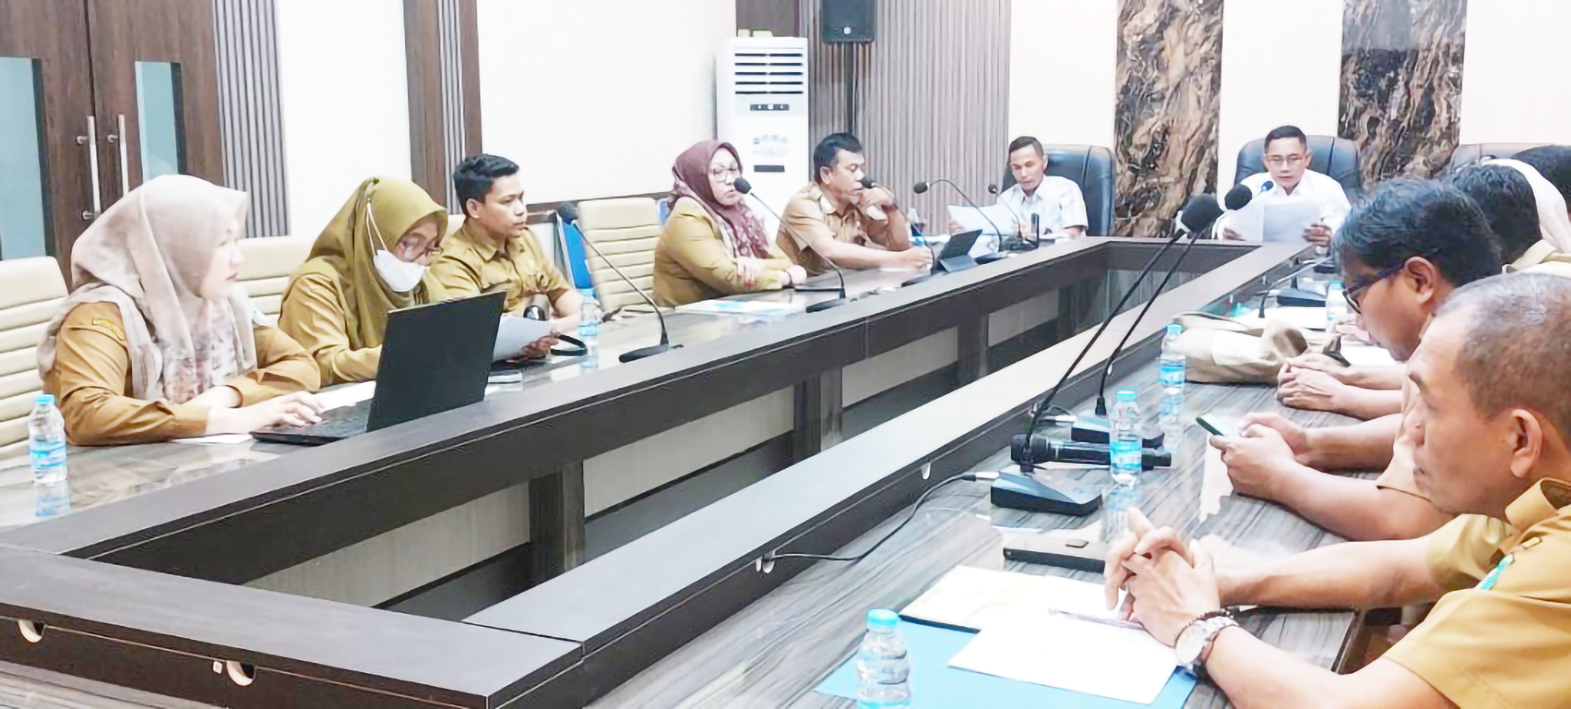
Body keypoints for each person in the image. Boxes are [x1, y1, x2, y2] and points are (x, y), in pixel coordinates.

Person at [1104, 273, 1571, 709]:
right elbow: (1400, 566)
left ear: (1520, 440)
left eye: (1429, 406)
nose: (1408, 430)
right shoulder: (1531, 496)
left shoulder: (1560, 562)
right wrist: (1210, 582)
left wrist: (1197, 627)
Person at [1213, 180, 1500, 542]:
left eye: (1357, 293)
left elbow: (1403, 521)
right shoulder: (1469, 331)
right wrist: (1310, 445)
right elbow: (1415, 431)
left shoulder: (1477, 358)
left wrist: (1278, 477)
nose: (1358, 315)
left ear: (1419, 280)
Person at [38, 176, 322, 446]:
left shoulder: (224, 305)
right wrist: (222, 419)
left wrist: (227, 395)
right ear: (175, 250)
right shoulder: (100, 314)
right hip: (122, 474)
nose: (238, 258)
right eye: (221, 244)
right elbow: (89, 414)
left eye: (236, 241)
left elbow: (302, 366)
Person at [277, 177, 449, 386]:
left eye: (429, 248)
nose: (420, 260)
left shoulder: (420, 280)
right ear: (374, 235)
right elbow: (322, 364)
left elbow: (454, 328)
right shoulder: (315, 284)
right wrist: (396, 356)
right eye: (410, 243)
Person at [432, 154, 581, 357]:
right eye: (507, 202)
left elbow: (560, 292)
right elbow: (474, 337)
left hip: (541, 357)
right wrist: (546, 331)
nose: (521, 210)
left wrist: (583, 314)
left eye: (521, 198)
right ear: (474, 208)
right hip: (497, 368)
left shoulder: (525, 239)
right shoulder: (452, 263)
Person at [652, 140, 807, 307]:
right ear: (698, 177)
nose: (730, 180)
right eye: (718, 172)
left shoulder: (742, 213)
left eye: (733, 169)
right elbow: (729, 278)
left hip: (734, 307)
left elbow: (784, 262)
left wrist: (757, 263)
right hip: (685, 316)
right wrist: (785, 277)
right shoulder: (686, 216)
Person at [777, 133, 932, 275]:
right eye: (852, 169)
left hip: (848, 287)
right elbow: (830, 250)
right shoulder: (803, 204)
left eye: (861, 168)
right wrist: (901, 260)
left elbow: (899, 247)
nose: (861, 176)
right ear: (826, 174)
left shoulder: (856, 200)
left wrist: (890, 207)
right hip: (803, 291)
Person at [1217, 126, 1352, 246]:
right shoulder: (1251, 187)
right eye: (1276, 160)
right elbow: (1224, 221)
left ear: (1307, 158)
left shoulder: (1328, 188)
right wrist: (1225, 233)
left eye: (1293, 159)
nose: (1285, 168)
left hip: (1312, 263)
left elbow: (1345, 231)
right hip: (1256, 261)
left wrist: (1330, 237)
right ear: (1265, 161)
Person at [993, 136, 1088, 239]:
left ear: (1044, 162)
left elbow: (1074, 235)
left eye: (1029, 165)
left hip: (1060, 249)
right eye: (1017, 167)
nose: (1023, 174)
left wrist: (1040, 232)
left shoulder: (1065, 189)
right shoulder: (1005, 199)